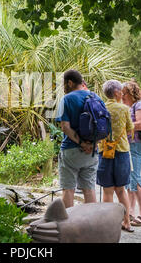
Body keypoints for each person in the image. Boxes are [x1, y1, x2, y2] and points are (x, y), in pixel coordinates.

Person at [55, 70, 101, 208]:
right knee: (89, 189)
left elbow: (65, 127)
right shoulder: (96, 97)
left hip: (71, 150)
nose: (63, 88)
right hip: (92, 152)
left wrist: (81, 143)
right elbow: (103, 126)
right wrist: (91, 144)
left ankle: (70, 226)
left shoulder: (66, 99)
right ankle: (92, 225)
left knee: (68, 189)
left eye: (64, 84)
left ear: (69, 82)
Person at [97, 80, 135, 232]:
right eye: (121, 91)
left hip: (104, 152)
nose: (122, 94)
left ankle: (107, 225)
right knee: (121, 190)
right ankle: (126, 222)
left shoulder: (100, 108)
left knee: (107, 190)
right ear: (117, 93)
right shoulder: (124, 109)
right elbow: (130, 129)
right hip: (121, 152)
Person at [122, 81, 141, 227]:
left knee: (136, 177)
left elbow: (140, 124)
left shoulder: (140, 105)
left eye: (124, 93)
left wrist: (122, 126)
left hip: (135, 145)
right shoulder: (129, 107)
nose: (122, 96)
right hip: (128, 145)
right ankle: (131, 212)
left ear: (131, 93)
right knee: (129, 179)